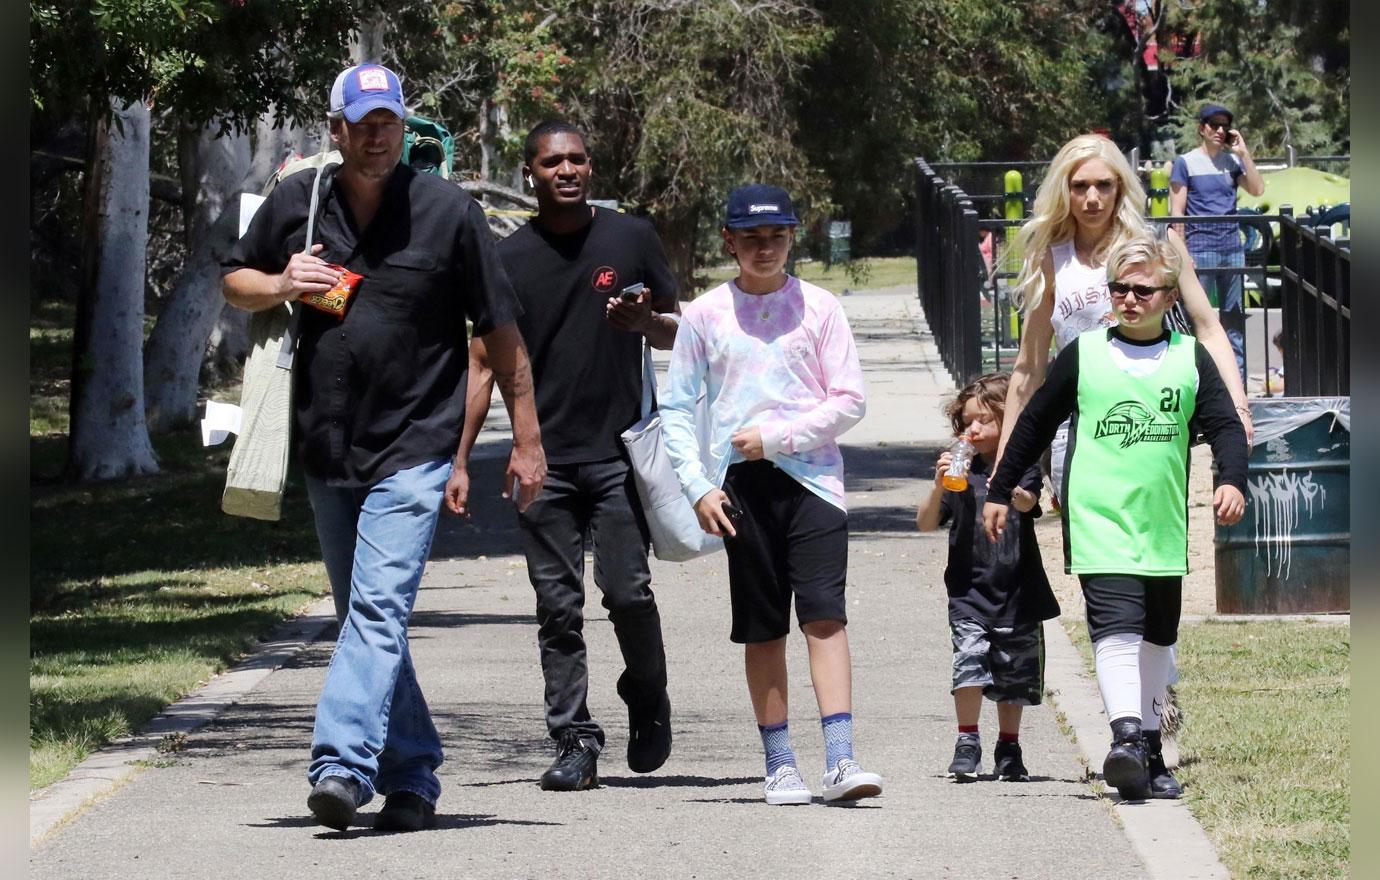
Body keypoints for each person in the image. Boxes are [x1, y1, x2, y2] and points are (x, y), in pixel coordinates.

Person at [223, 63, 545, 832]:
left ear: (403, 127)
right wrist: (282, 284)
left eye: (389, 122)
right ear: (335, 131)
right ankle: (413, 773)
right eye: (362, 122)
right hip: (327, 444)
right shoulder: (300, 204)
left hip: (418, 442)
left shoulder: (447, 212)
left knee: (376, 607)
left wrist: (526, 439)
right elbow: (234, 278)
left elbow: (499, 329)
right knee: (367, 619)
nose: (377, 135)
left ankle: (340, 765)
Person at [452, 120, 680, 792]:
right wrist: (460, 457)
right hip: (541, 461)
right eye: (553, 162)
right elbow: (482, 362)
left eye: (579, 159)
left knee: (628, 591)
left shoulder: (630, 238)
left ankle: (648, 693)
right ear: (530, 174)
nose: (568, 170)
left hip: (618, 456)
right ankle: (575, 740)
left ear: (592, 168)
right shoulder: (509, 259)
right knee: (557, 607)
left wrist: (647, 322)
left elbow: (678, 333)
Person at [983, 234, 1247, 801]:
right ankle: (1125, 735)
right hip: (1099, 515)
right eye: (1120, 289)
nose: (1130, 299)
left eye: (1143, 290)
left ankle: (1148, 750)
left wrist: (1231, 479)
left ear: (1168, 294)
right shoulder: (1086, 354)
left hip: (1162, 523)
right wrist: (1000, 488)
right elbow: (1033, 424)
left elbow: (1224, 424)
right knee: (1117, 627)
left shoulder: (1187, 356)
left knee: (1158, 635)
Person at [660, 183, 883, 805]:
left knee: (823, 616)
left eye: (777, 237)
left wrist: (779, 435)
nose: (765, 249)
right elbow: (675, 409)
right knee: (763, 627)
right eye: (752, 238)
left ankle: (841, 760)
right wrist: (698, 486)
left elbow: (850, 399)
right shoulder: (705, 314)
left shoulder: (820, 307)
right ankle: (780, 764)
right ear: (728, 241)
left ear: (794, 238)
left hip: (814, 482)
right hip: (737, 487)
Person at [916, 373, 1059, 783]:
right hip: (968, 592)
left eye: (983, 421)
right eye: (965, 422)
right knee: (969, 666)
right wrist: (938, 485)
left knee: (1013, 677)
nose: (972, 430)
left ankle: (1009, 746)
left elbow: (1031, 502)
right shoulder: (960, 471)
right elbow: (926, 522)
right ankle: (967, 741)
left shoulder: (1021, 464)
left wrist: (1009, 489)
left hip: (1017, 590)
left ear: (1006, 421)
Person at [1170, 103, 1266, 385]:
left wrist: (1243, 153)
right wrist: (1182, 253)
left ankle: (1237, 384)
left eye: (1225, 126)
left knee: (1233, 320)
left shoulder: (1232, 162)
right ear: (1202, 128)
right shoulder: (1185, 162)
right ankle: (1193, 380)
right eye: (1214, 125)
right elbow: (1177, 211)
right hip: (1200, 250)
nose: (1220, 130)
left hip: (1232, 250)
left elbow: (1257, 189)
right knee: (1196, 319)